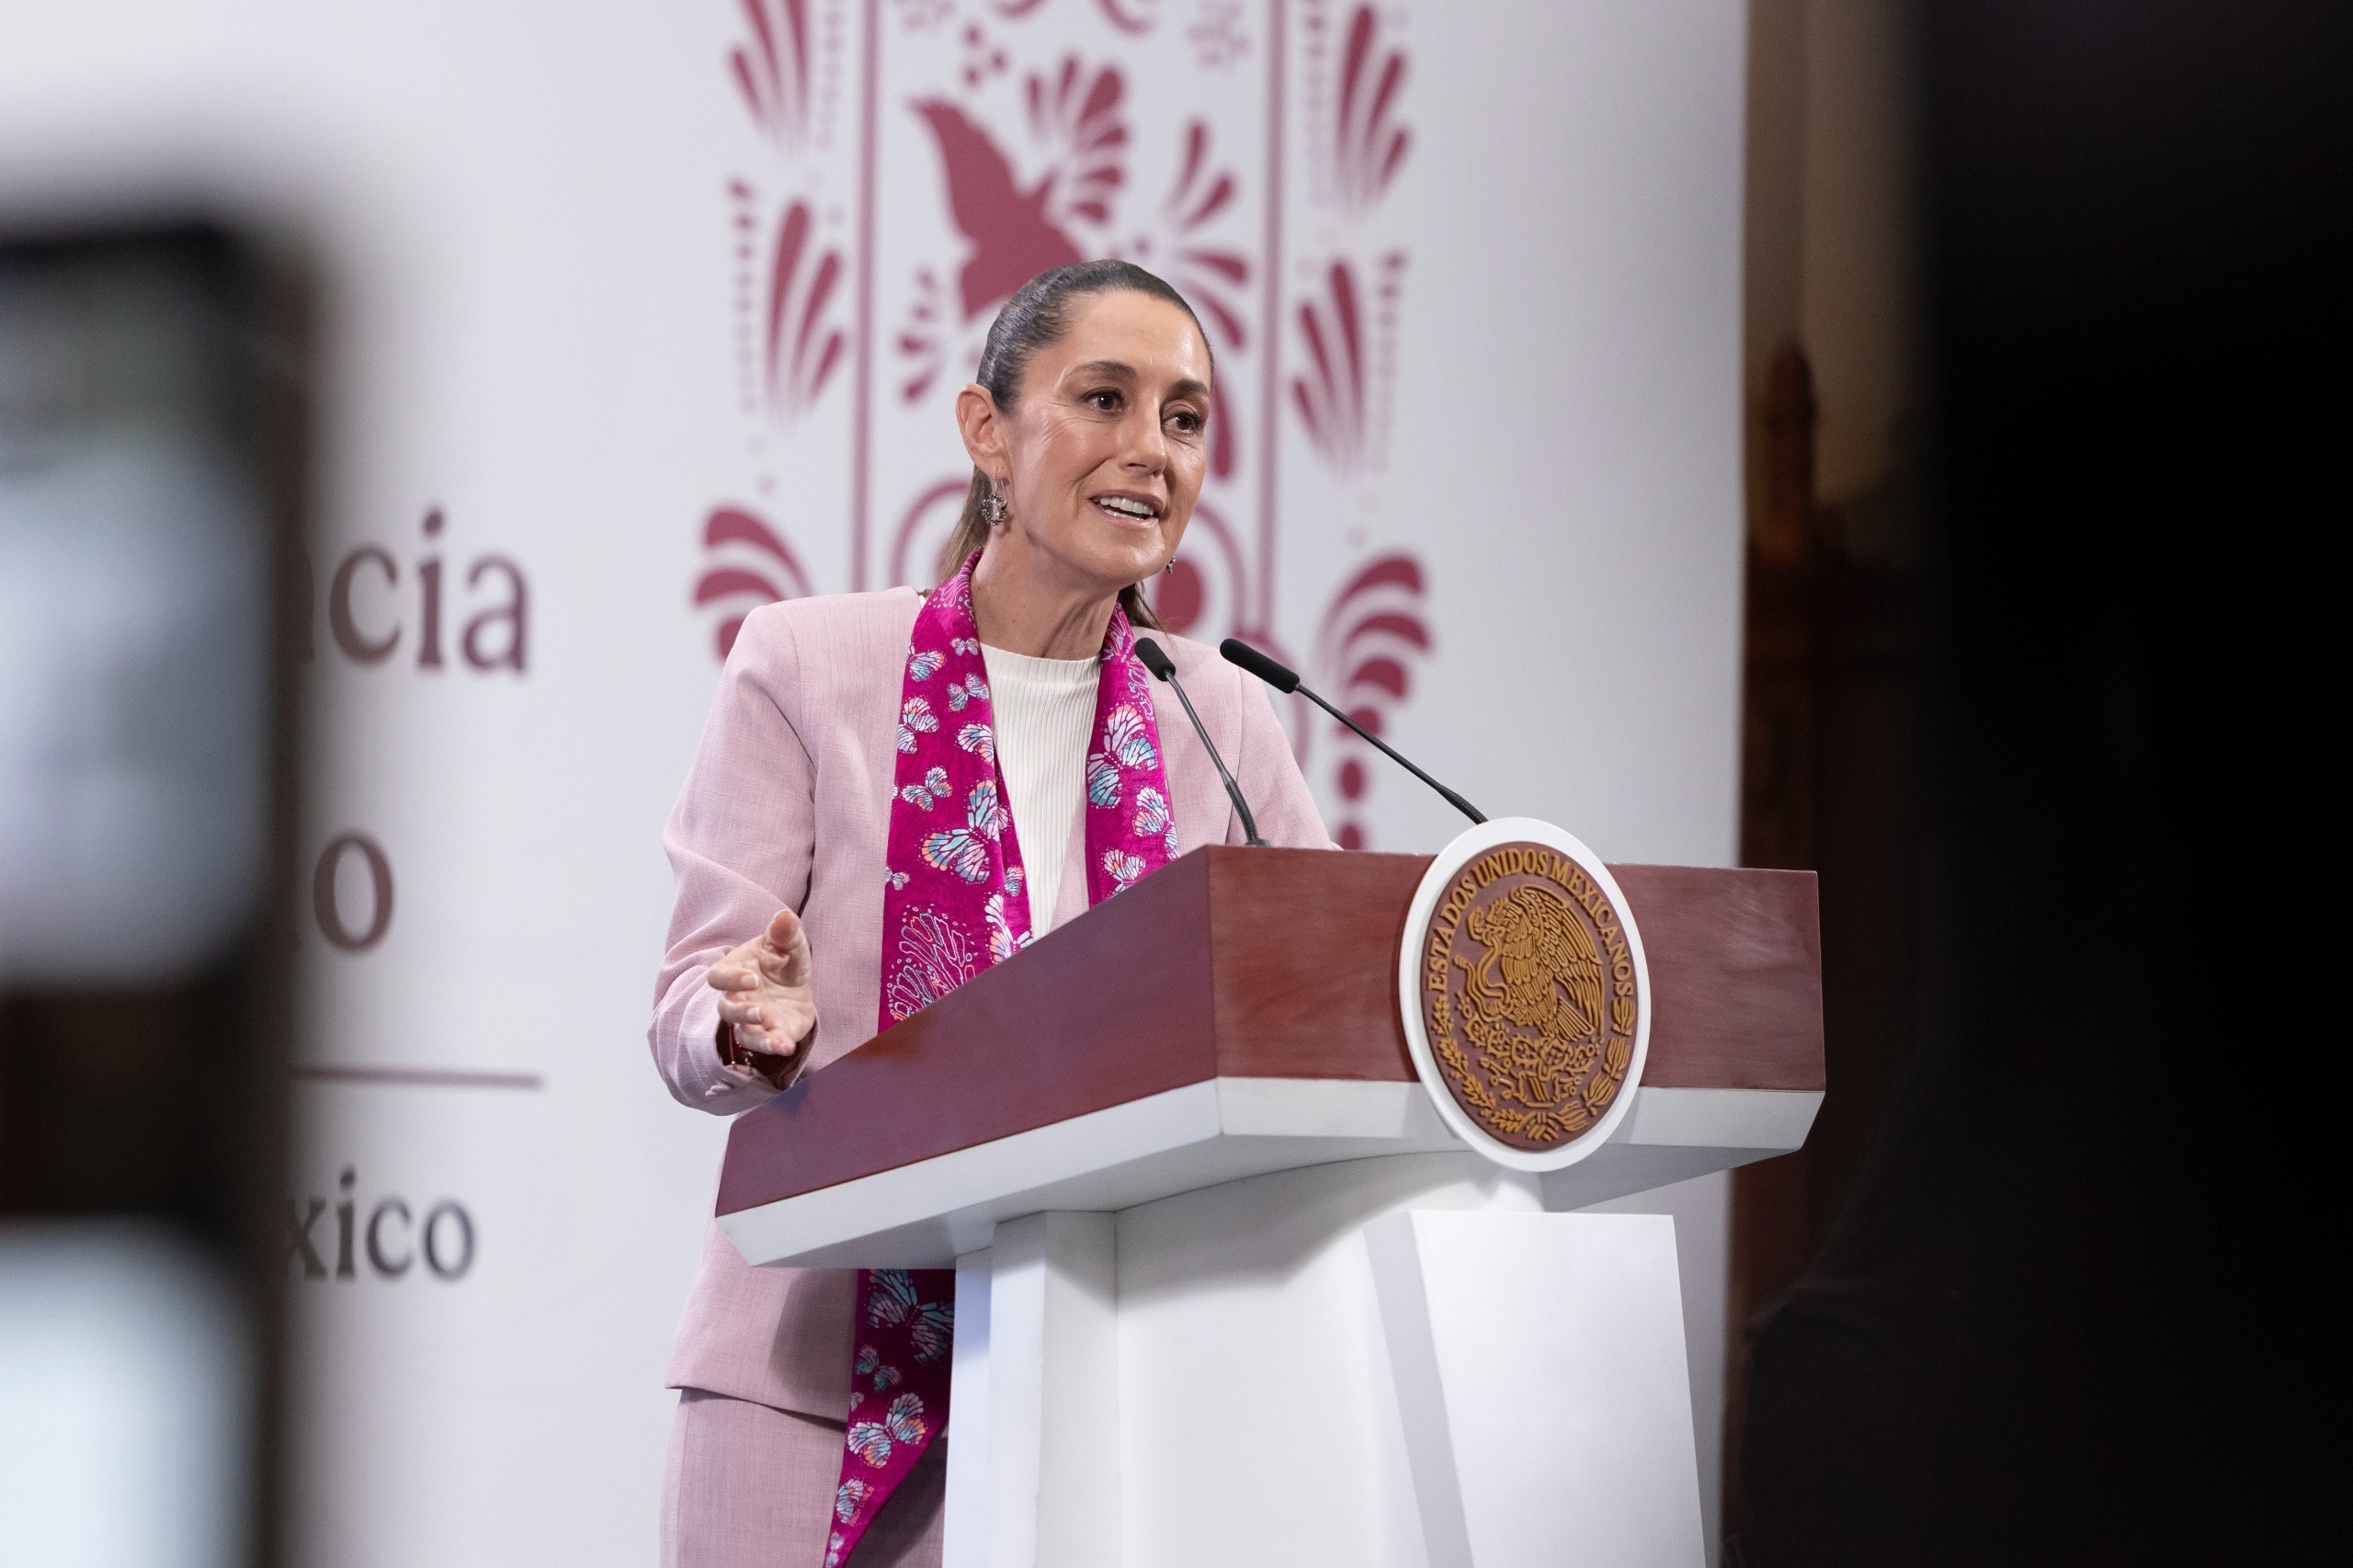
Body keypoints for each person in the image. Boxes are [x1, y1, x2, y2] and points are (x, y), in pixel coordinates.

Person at [647, 259, 1332, 1567]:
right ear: (988, 432)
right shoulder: (808, 663)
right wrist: (746, 1026)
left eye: (1185, 418)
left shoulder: (1218, 712)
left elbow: (1325, 999)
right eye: (1105, 398)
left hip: (1101, 1401)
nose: (1152, 450)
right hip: (810, 1385)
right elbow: (694, 999)